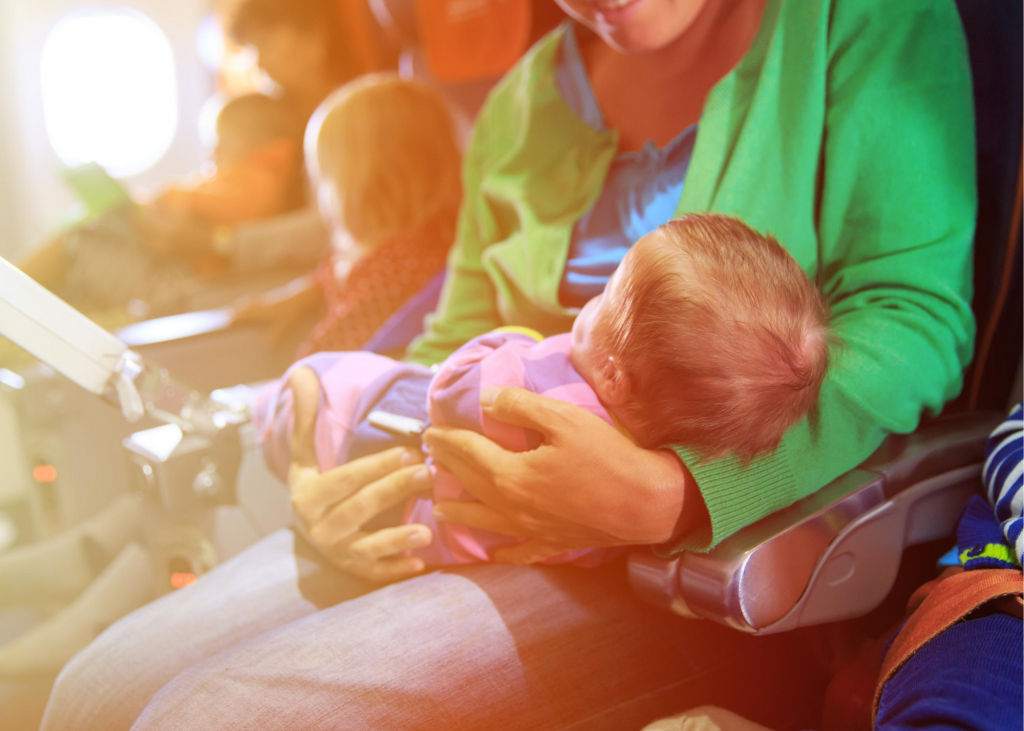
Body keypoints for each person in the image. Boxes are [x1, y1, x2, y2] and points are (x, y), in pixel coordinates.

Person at [41, 0, 977, 729]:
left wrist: (676, 492)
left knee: (213, 718)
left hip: (668, 578)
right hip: (449, 504)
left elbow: (911, 320)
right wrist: (331, 477)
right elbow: (449, 343)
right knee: (91, 695)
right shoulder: (524, 103)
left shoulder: (863, 27)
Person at [254, 215, 834, 567]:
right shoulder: (636, 442)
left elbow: (451, 386)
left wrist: (517, 339)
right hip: (439, 540)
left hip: (397, 485)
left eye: (607, 295)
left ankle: (258, 415)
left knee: (308, 388)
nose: (591, 300)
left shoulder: (544, 384)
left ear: (614, 377)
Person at [231, 74, 461, 355]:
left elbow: (324, 360)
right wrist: (301, 295)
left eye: (325, 179)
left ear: (366, 187)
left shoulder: (388, 273)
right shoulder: (402, 250)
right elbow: (331, 272)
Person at [16, 93, 306, 314]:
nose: (214, 154)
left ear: (260, 146)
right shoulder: (234, 178)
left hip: (179, 280)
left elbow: (237, 207)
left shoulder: (260, 181)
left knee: (77, 242)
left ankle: (11, 294)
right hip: (172, 269)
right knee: (85, 238)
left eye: (223, 143)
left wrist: (178, 198)